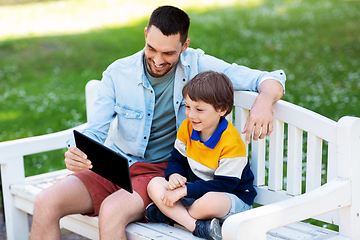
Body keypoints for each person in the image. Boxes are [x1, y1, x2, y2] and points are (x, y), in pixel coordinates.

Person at [30, 5, 285, 240]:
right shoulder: (118, 73)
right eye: (151, 48)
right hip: (114, 165)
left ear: (184, 45)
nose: (158, 60)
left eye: (169, 53)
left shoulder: (199, 65)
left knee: (111, 211)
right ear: (145, 35)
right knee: (45, 202)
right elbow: (95, 131)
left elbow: (270, 79)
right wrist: (78, 153)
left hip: (158, 173)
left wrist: (264, 102)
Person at [146, 71, 256, 240]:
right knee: (155, 184)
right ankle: (197, 227)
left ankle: (170, 214)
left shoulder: (232, 143)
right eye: (187, 106)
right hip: (195, 193)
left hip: (230, 199)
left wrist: (185, 190)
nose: (191, 114)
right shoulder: (187, 127)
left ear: (222, 109)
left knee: (207, 203)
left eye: (199, 109)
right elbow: (177, 159)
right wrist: (175, 175)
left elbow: (223, 185)